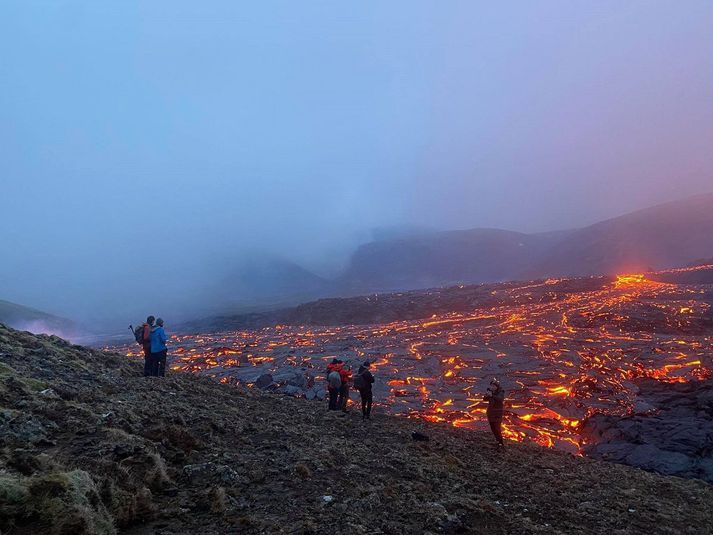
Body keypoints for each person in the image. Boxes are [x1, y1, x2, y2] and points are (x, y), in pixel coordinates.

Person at [484, 378, 505, 447]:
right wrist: (487, 395)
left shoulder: (501, 392)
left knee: (497, 428)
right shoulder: (491, 392)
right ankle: (497, 441)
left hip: (497, 413)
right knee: (493, 428)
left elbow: (500, 399)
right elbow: (484, 399)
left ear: (497, 387)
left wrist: (492, 395)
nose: (492, 387)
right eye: (491, 386)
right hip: (491, 413)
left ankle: (501, 443)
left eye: (494, 386)